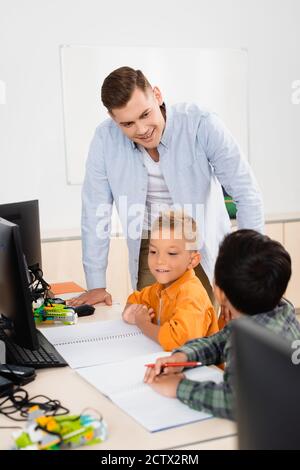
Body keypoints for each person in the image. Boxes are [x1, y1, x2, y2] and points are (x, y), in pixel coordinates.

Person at [68, 66, 264, 308]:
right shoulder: (104, 139)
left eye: (145, 114)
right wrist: (96, 284)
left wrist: (252, 264)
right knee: (155, 326)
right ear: (113, 119)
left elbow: (245, 191)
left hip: (200, 242)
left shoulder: (201, 124)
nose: (141, 129)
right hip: (151, 245)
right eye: (127, 124)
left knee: (209, 324)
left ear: (157, 95)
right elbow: (95, 210)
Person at [144, 229, 300, 420]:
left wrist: (178, 387)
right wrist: (182, 357)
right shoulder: (276, 309)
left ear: (220, 292)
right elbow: (220, 341)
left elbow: (235, 401)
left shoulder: (252, 341)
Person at [122, 210, 218, 351]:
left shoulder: (192, 296)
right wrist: (130, 312)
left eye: (172, 253)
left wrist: (143, 324)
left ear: (193, 260)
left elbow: (178, 341)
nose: (160, 260)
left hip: (203, 371)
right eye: (153, 252)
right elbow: (135, 299)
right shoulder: (159, 288)